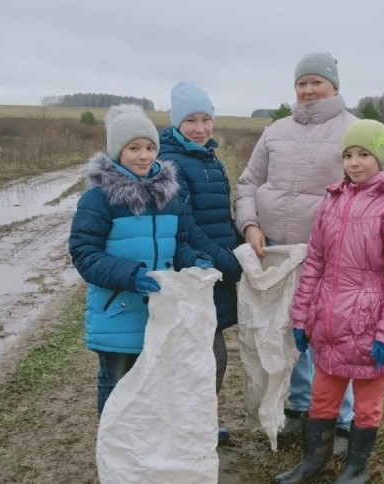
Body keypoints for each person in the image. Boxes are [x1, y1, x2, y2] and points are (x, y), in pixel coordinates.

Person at [273, 119, 384, 483]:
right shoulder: (332, 202)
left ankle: (356, 469)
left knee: (367, 407)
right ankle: (315, 461)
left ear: (382, 158)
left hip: (370, 328)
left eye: (363, 154)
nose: (354, 163)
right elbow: (315, 264)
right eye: (348, 155)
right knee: (322, 399)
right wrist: (302, 318)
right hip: (330, 326)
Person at [235, 52, 358, 447]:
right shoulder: (275, 131)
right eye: (301, 83)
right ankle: (301, 405)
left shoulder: (354, 129)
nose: (307, 90)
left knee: (329, 331)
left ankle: (343, 417)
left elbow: (368, 191)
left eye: (316, 82)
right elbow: (249, 182)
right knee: (288, 331)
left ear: (334, 86)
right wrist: (250, 225)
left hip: (326, 253)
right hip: (273, 250)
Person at [68, 104, 212, 415]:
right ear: (117, 151)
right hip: (117, 311)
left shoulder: (168, 196)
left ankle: (144, 451)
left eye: (149, 147)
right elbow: (85, 254)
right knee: (117, 382)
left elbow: (180, 242)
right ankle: (113, 453)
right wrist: (130, 275)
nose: (144, 156)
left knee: (155, 383)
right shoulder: (99, 198)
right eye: (134, 148)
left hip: (161, 313)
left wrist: (195, 260)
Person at [158, 81, 243, 444]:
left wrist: (245, 245)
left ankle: (198, 423)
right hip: (194, 273)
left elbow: (219, 218)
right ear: (177, 123)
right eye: (190, 120)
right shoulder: (171, 162)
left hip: (213, 275)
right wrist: (227, 262)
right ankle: (187, 428)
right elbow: (185, 225)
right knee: (205, 356)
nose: (199, 128)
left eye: (205, 119)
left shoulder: (209, 158)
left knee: (211, 356)